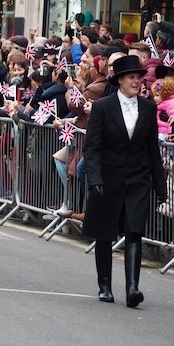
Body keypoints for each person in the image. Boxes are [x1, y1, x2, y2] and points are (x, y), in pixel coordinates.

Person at [82, 54, 168, 307]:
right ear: (119, 80)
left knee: (134, 232)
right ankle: (105, 286)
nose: (137, 81)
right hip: (108, 178)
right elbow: (93, 148)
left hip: (138, 178)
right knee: (105, 234)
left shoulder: (149, 108)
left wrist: (160, 184)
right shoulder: (103, 107)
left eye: (139, 77)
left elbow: (153, 149)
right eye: (131, 77)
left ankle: (133, 288)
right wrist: (94, 178)